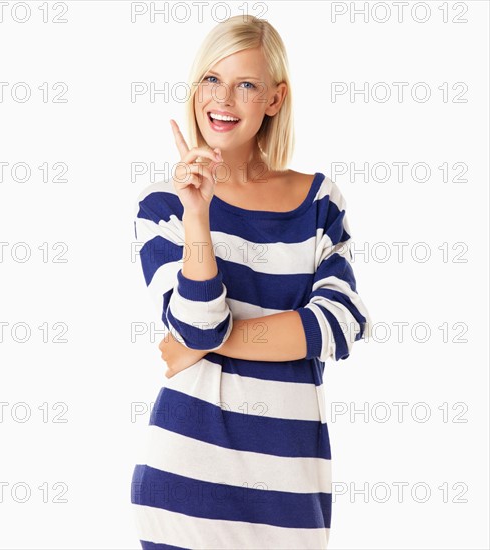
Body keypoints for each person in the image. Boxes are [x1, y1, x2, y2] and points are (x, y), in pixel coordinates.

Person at [130, 14, 372, 550]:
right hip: (184, 486)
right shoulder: (165, 206)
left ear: (274, 99)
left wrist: (211, 343)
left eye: (246, 85)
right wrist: (199, 216)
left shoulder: (318, 201)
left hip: (291, 494)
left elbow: (340, 325)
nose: (224, 99)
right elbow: (196, 325)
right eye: (212, 80)